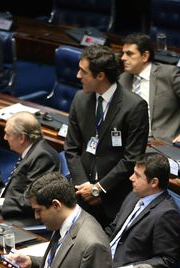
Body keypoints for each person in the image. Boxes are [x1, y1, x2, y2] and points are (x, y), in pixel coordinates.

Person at [65, 44, 149, 226]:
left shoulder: (134, 107)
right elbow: (71, 149)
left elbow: (131, 158)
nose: (78, 76)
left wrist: (99, 189)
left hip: (114, 199)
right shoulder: (80, 99)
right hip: (81, 194)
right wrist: (84, 187)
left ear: (100, 76)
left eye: (83, 71)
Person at [118, 33, 180, 144]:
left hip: (158, 142)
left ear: (145, 56)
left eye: (129, 54)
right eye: (123, 53)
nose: (123, 58)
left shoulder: (167, 74)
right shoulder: (123, 79)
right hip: (128, 140)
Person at [105, 153, 180, 268]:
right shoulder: (134, 195)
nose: (131, 178)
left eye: (137, 175)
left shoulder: (167, 214)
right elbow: (113, 229)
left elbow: (165, 260)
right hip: (103, 257)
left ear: (153, 182)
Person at [0, 111, 60, 219]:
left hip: (23, 218)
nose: (5, 138)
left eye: (8, 134)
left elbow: (33, 201)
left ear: (21, 138)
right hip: (12, 207)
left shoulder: (43, 157)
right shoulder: (32, 150)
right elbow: (17, 188)